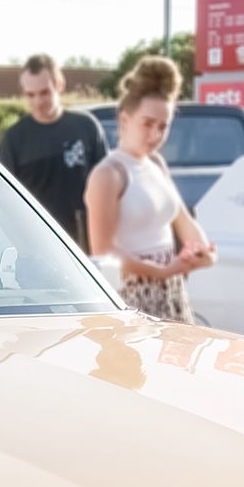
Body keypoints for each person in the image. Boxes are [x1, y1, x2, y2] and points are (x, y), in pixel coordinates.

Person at [83, 55, 215, 323]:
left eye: (163, 127)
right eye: (147, 123)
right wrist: (163, 271)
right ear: (125, 120)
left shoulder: (156, 163)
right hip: (132, 297)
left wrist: (203, 251)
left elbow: (182, 219)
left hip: (172, 290)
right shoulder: (108, 174)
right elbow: (104, 255)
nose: (155, 135)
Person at [0, 55, 109, 246]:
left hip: (87, 246)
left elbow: (108, 188)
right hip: (39, 249)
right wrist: (22, 246)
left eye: (44, 92)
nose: (38, 101)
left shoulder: (86, 127)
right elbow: (1, 200)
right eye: (31, 95)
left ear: (60, 86)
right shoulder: (14, 139)